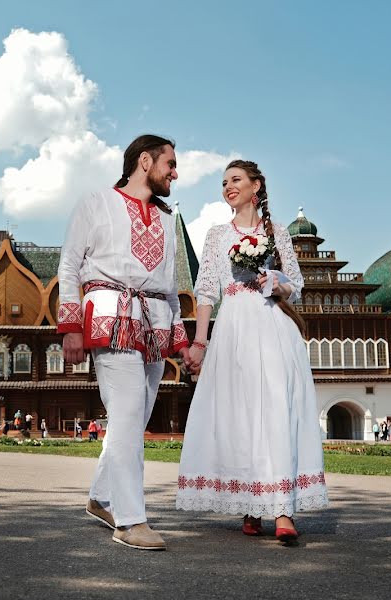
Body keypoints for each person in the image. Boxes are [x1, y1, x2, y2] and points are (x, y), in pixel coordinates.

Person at [176, 160, 328, 543]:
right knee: (240, 413)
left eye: (236, 180)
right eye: (224, 182)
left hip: (272, 324)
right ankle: (250, 503)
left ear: (256, 186)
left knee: (276, 408)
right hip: (234, 328)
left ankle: (281, 509)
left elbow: (297, 284)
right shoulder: (216, 234)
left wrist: (276, 283)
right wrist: (200, 341)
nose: (228, 186)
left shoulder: (278, 233)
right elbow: (207, 290)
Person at [57, 134, 191, 551]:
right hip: (113, 316)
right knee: (129, 413)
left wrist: (181, 343)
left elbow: (170, 287)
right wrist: (71, 326)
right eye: (170, 163)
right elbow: (69, 265)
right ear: (145, 161)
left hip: (153, 324)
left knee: (131, 419)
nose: (175, 172)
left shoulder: (168, 220)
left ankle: (101, 497)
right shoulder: (95, 201)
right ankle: (130, 521)